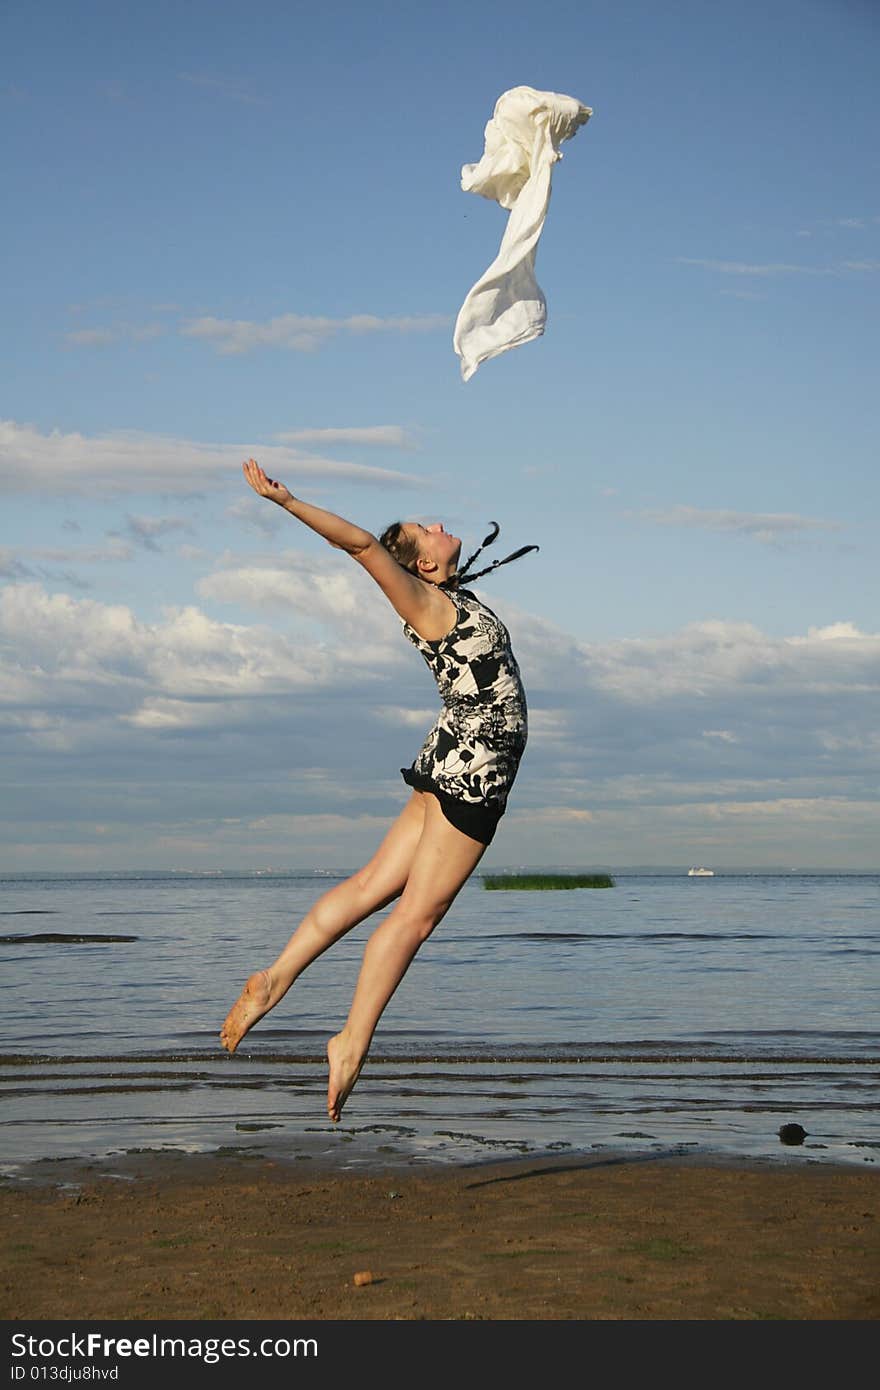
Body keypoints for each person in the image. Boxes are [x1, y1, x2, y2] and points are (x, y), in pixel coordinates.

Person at [221, 458, 534, 1123]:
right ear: (420, 566)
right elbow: (363, 546)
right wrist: (288, 502)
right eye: (428, 529)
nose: (441, 525)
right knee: (414, 917)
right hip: (472, 774)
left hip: (449, 760)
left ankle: (276, 977)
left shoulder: (449, 595)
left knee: (372, 887)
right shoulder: (422, 601)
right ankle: (351, 1040)